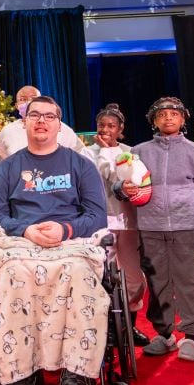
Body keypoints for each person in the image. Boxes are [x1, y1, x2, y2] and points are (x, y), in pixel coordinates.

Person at [0, 95, 108, 385]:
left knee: (80, 274)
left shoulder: (80, 165)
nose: (41, 120)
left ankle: (77, 380)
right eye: (34, 115)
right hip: (22, 243)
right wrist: (26, 230)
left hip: (71, 244)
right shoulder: (9, 168)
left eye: (49, 116)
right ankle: (19, 377)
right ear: (23, 122)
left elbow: (97, 216)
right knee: (12, 273)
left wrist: (64, 229)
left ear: (59, 124)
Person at [125, 97, 194, 363]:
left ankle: (191, 338)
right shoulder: (139, 151)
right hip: (150, 228)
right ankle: (164, 336)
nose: (168, 118)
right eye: (162, 114)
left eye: (173, 113)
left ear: (183, 119)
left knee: (188, 284)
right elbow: (125, 185)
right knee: (157, 285)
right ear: (153, 120)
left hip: (187, 228)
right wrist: (122, 189)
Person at [84, 104, 149, 347]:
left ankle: (129, 326)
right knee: (105, 276)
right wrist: (103, 152)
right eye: (101, 125)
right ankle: (109, 327)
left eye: (111, 126)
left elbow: (128, 179)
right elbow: (107, 176)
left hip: (129, 221)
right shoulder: (88, 152)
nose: (105, 130)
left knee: (134, 279)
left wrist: (113, 154)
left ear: (120, 129)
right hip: (101, 222)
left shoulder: (130, 151)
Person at [0, 85, 84, 160]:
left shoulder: (63, 129)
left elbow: (81, 155)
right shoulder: (8, 131)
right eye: (23, 99)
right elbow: (1, 160)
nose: (28, 102)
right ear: (16, 105)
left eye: (33, 98)